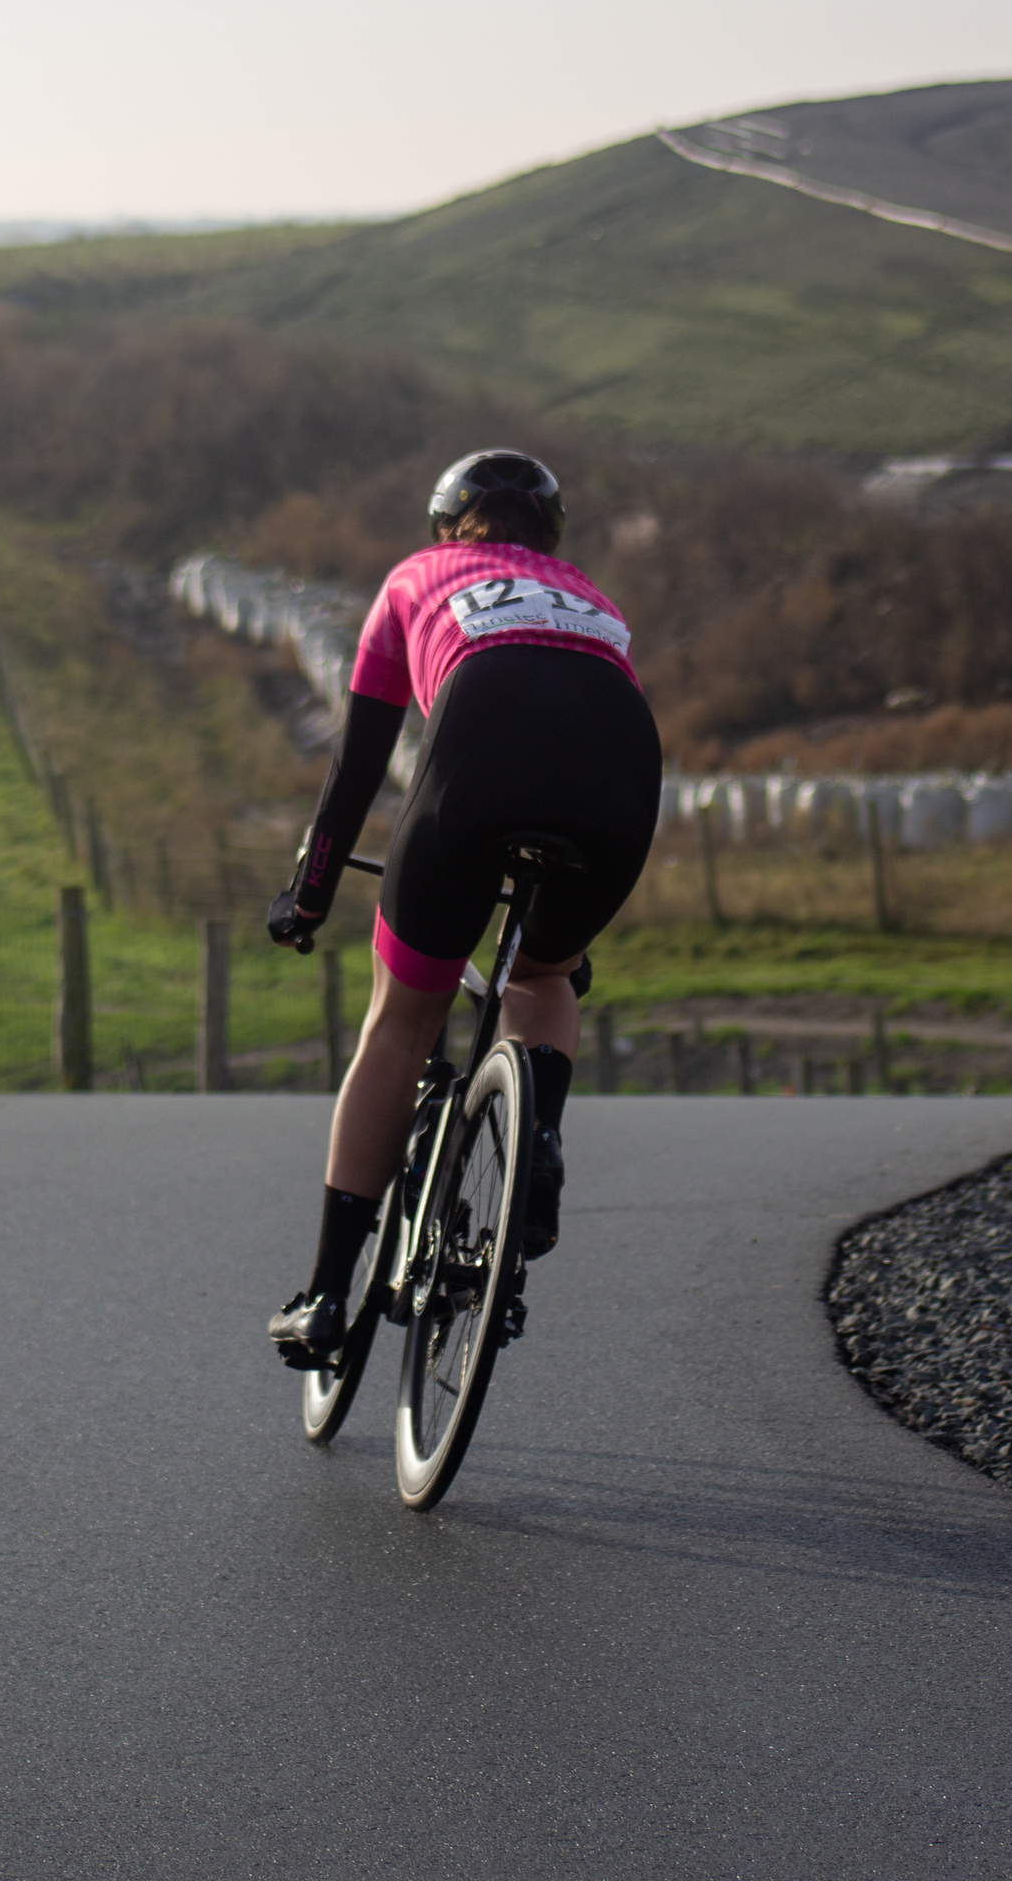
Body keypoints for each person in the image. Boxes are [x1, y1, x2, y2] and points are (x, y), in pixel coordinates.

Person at [265, 448, 662, 1369]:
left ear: (450, 526)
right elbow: (579, 725)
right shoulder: (595, 599)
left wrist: (310, 893)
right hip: (621, 768)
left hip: (480, 740)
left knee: (400, 1026)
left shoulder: (415, 577)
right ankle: (541, 1145)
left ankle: (326, 1297)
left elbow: (357, 767)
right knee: (543, 973)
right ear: (550, 538)